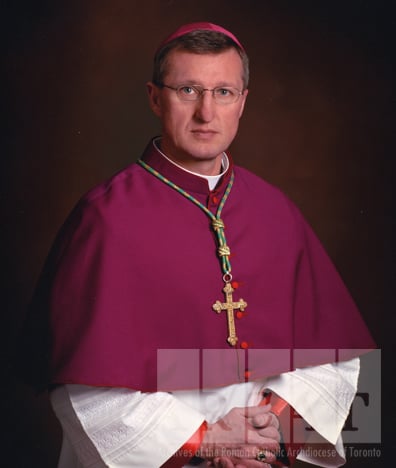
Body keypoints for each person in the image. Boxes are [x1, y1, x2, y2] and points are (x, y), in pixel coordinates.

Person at [22, 22, 376, 467]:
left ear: (243, 102)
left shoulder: (276, 210)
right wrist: (204, 441)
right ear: (155, 97)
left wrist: (278, 426)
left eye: (223, 92)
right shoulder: (105, 218)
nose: (207, 112)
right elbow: (82, 388)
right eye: (188, 90)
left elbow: (337, 355)